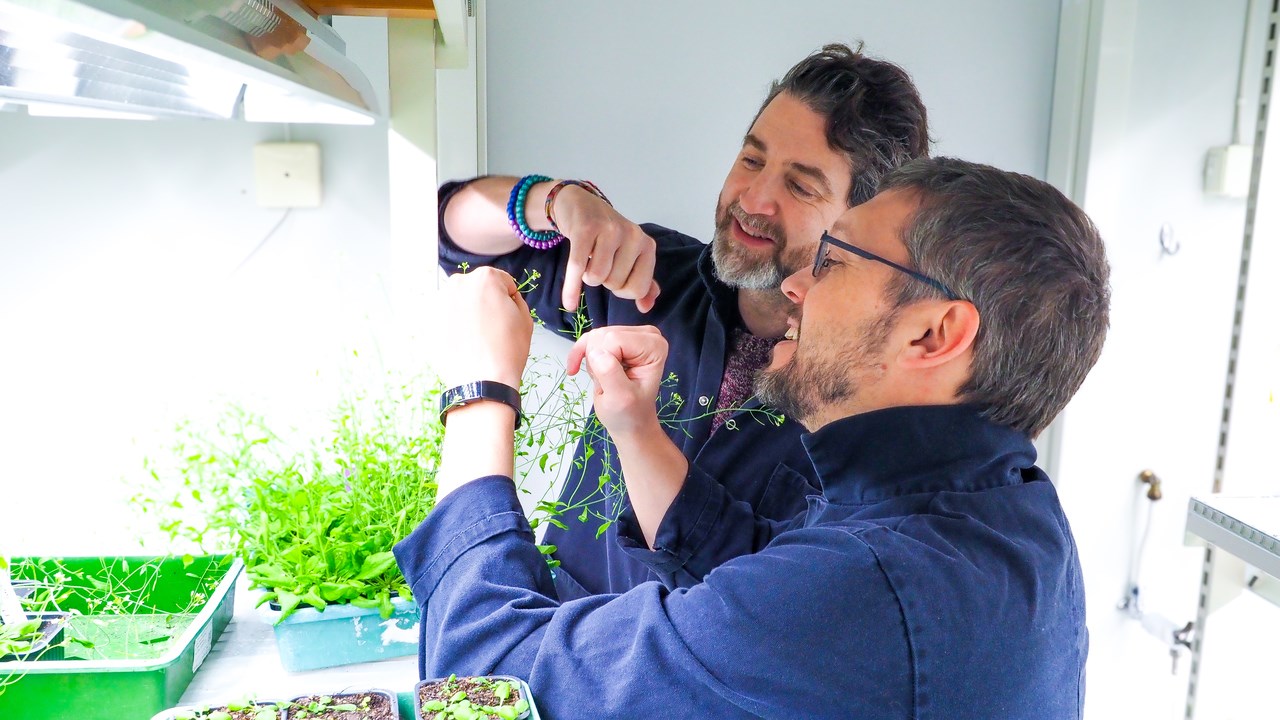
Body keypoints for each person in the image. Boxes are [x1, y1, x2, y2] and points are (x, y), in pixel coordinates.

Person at [395, 157, 1111, 718]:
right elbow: (762, 566)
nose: (798, 286)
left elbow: (478, 685)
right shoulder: (1009, 520)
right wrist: (636, 429)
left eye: (832, 260)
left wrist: (479, 391)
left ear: (933, 332)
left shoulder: (863, 590)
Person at [435, 43, 931, 599]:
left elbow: (776, 604)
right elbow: (453, 234)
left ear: (860, 224)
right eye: (751, 159)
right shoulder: (650, 273)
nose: (755, 197)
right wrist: (558, 201)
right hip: (549, 654)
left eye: (799, 186)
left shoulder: (861, 406)